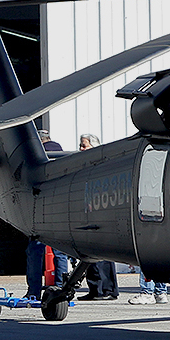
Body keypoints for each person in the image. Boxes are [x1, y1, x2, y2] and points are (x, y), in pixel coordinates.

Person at [75, 132, 119, 300]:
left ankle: (104, 289)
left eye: (84, 145)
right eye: (80, 145)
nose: (81, 148)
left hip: (98, 212)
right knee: (93, 251)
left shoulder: (100, 164)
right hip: (89, 211)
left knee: (100, 252)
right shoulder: (84, 164)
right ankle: (98, 289)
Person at [28, 128, 71, 298]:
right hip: (59, 207)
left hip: (39, 208)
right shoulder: (62, 153)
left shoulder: (38, 154)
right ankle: (61, 288)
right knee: (60, 252)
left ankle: (34, 290)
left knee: (35, 251)